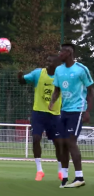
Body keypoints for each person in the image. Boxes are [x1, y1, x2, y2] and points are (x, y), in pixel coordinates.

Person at [49, 43, 94, 188]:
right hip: (64, 110)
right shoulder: (59, 70)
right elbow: (57, 90)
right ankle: (65, 177)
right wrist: (52, 103)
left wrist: (87, 111)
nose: (59, 54)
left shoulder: (81, 69)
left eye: (61, 51)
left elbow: (90, 90)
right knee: (62, 143)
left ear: (69, 53)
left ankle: (79, 177)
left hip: (77, 110)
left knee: (70, 141)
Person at [18, 55, 65, 181]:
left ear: (57, 64)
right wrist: (20, 77)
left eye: (50, 61)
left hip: (54, 114)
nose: (47, 63)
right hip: (38, 112)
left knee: (59, 143)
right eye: (47, 60)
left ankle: (61, 170)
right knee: (36, 139)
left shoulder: (61, 76)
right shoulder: (38, 73)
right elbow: (23, 81)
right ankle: (39, 170)